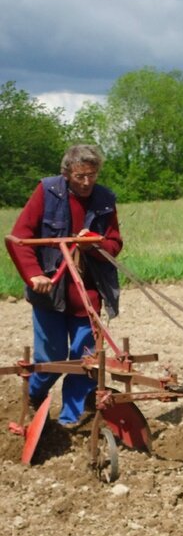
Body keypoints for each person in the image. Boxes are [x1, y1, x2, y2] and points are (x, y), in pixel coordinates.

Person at [6, 144, 123, 427]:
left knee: (86, 362)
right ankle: (35, 396)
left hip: (88, 293)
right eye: (80, 176)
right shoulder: (47, 191)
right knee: (51, 357)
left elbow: (114, 243)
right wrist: (34, 275)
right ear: (67, 173)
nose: (86, 182)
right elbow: (18, 238)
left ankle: (69, 419)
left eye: (92, 175)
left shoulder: (105, 199)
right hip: (51, 292)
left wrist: (93, 242)